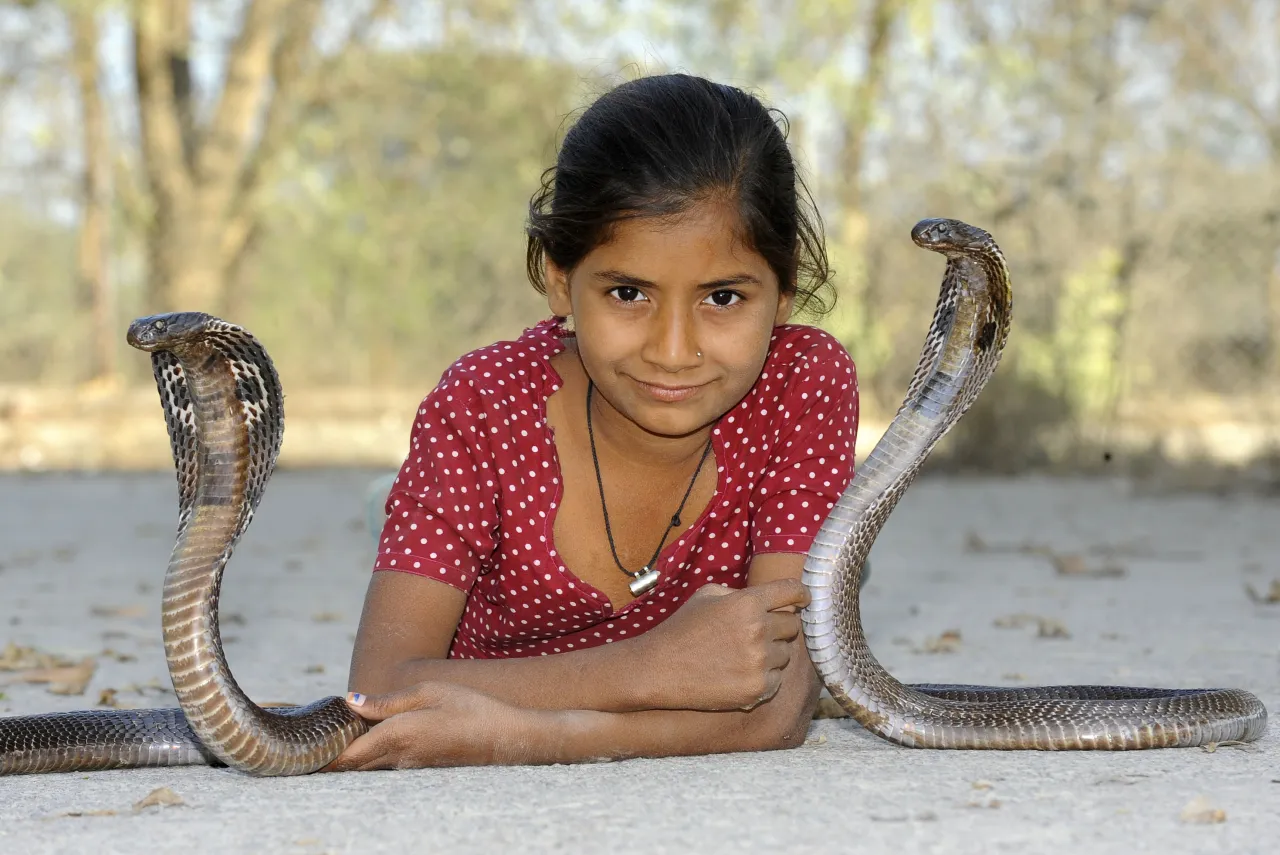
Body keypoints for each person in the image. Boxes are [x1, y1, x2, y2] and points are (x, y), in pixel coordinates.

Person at [325, 73, 859, 772]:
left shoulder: (803, 385)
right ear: (560, 281)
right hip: (498, 527)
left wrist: (526, 735)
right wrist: (651, 666)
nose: (673, 351)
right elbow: (380, 689)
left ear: (783, 293)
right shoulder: (483, 405)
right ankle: (401, 506)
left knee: (822, 591)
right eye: (628, 293)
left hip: (524, 682)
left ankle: (837, 557)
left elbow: (779, 708)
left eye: (724, 297)